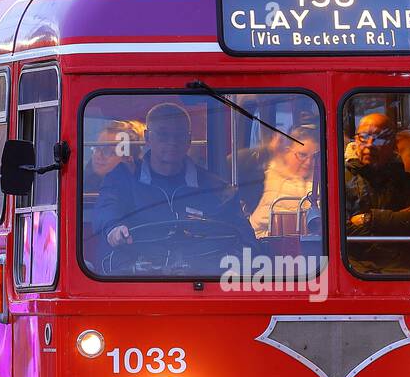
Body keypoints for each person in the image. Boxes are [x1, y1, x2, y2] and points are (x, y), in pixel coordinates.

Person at [92, 102, 254, 269]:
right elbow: (106, 207)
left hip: (198, 285)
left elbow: (245, 238)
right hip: (136, 284)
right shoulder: (123, 178)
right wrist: (114, 228)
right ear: (148, 138)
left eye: (179, 135)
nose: (172, 142)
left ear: (189, 140)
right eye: (163, 135)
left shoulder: (216, 189)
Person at [344, 111, 410, 272]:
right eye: (363, 137)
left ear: (393, 144)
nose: (370, 144)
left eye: (380, 138)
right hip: (352, 267)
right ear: (356, 141)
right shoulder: (340, 180)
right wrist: (395, 223)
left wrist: (370, 219)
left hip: (402, 268)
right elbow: (341, 230)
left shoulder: (409, 182)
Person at [249, 126, 319, 238]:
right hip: (263, 245)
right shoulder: (267, 175)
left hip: (308, 246)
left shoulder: (320, 183)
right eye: (302, 155)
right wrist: (267, 150)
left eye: (314, 157)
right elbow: (230, 163)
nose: (308, 162)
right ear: (287, 151)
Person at [84, 119, 144, 192]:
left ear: (128, 158)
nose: (98, 155)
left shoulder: (139, 191)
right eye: (97, 148)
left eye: (107, 151)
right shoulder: (83, 183)